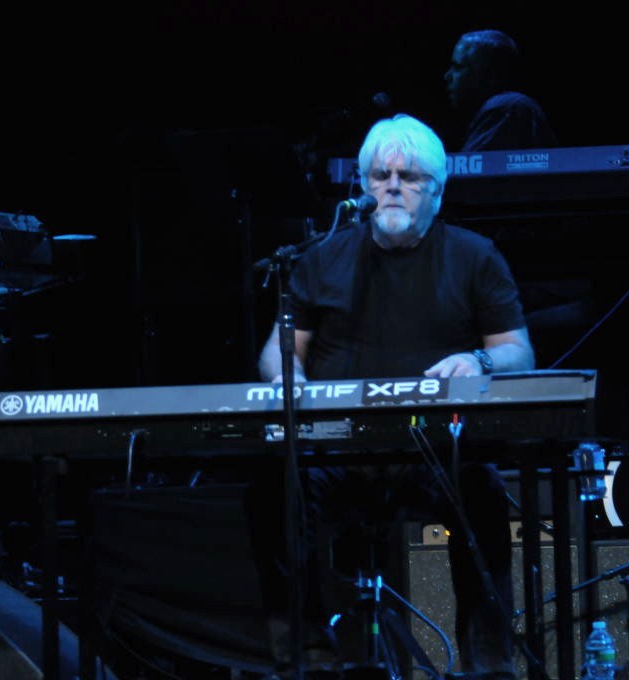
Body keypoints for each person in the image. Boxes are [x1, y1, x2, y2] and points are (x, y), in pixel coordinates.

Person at [251, 114, 534, 680]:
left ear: (437, 190)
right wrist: (288, 378)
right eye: (380, 176)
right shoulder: (320, 259)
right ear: (363, 185)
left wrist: (478, 361)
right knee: (271, 489)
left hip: (434, 452)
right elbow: (279, 353)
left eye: (410, 177)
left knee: (481, 488)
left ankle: (489, 662)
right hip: (338, 453)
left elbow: (518, 352)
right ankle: (306, 657)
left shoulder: (474, 256)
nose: (393, 187)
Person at [444, 29, 557, 152]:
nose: (447, 76)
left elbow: (475, 162)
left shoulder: (507, 107)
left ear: (490, 75)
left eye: (458, 67)